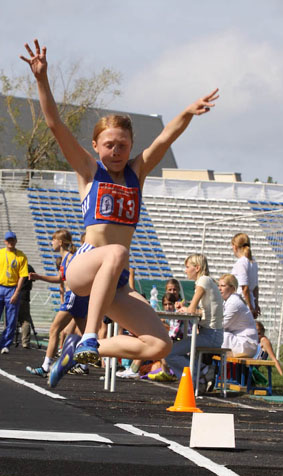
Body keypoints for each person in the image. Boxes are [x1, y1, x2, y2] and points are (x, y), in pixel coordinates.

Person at [20, 39, 219, 387]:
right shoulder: (88, 169)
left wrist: (187, 112)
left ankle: (81, 350)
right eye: (109, 145)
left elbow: (165, 139)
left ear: (131, 146)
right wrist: (41, 79)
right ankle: (89, 335)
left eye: (122, 145)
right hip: (85, 267)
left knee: (159, 344)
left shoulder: (136, 172)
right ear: (96, 146)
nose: (115, 150)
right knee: (115, 251)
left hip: (116, 281)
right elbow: (54, 124)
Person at [26, 229, 88, 377]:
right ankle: (84, 365)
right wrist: (39, 276)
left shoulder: (70, 258)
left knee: (54, 329)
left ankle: (46, 366)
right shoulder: (65, 259)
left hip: (73, 296)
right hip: (76, 297)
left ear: (60, 242)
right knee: (85, 333)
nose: (51, 243)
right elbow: (60, 278)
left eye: (53, 240)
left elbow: (76, 277)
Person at [166, 254, 223, 381]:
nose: (185, 270)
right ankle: (200, 374)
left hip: (210, 335)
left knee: (169, 353)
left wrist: (186, 308)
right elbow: (202, 311)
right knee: (174, 352)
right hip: (212, 334)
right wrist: (185, 306)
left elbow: (192, 310)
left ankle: (200, 374)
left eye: (187, 267)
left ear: (197, 268)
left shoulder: (203, 281)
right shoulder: (207, 281)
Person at [218, 273, 259, 358]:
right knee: (217, 335)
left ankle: (209, 367)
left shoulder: (234, 303)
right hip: (241, 340)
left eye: (223, 286)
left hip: (246, 344)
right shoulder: (228, 301)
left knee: (218, 336)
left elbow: (220, 325)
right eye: (219, 286)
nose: (219, 288)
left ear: (232, 288)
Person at [231, 233, 260, 318]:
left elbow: (245, 287)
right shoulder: (253, 262)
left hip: (241, 302)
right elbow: (255, 288)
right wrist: (255, 304)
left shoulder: (241, 262)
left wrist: (250, 307)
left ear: (235, 247)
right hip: (249, 301)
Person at [17, 264, 35, 349]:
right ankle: (25, 342)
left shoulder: (17, 266)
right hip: (25, 296)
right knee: (25, 320)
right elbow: (33, 278)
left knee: (11, 318)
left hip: (14, 294)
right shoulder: (29, 267)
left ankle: (7, 339)